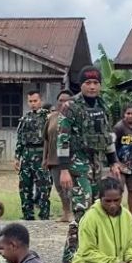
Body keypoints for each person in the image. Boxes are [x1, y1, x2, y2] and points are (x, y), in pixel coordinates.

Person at [58, 65, 119, 263]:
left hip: (96, 164)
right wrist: (64, 169)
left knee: (95, 210)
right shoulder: (70, 106)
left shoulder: (103, 106)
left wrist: (113, 162)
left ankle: (86, 256)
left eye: (95, 83)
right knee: (82, 212)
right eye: (88, 83)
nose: (92, 87)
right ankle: (71, 260)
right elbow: (63, 138)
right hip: (77, 164)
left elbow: (108, 136)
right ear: (81, 85)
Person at [70, 177, 132, 263]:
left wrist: (131, 260)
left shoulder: (127, 216)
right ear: (100, 198)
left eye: (116, 200)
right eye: (107, 201)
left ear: (122, 197)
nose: (112, 205)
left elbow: (130, 245)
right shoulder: (90, 218)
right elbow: (87, 253)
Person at [16, 90, 52, 220]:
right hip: (26, 155)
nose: (33, 104)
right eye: (30, 101)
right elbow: (20, 139)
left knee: (43, 187)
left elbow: (52, 137)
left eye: (35, 101)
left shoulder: (47, 117)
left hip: (41, 154)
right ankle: (28, 214)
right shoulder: (25, 118)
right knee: (25, 186)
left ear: (40, 101)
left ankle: (44, 214)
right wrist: (17, 157)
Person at [43, 89, 75, 224]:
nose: (63, 103)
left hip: (71, 159)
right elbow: (46, 138)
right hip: (54, 159)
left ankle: (74, 212)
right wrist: (45, 158)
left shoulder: (74, 117)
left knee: (71, 188)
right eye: (60, 100)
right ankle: (66, 212)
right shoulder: (52, 118)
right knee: (59, 187)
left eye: (66, 100)